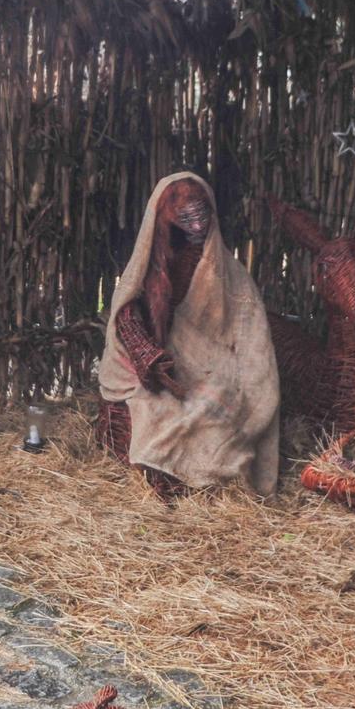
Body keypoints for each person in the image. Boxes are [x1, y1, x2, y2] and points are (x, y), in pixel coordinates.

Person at [96, 172, 280, 497]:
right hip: (160, 367)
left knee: (214, 407)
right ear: (169, 220)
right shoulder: (151, 267)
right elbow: (126, 311)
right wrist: (145, 352)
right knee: (157, 408)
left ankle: (203, 472)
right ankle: (171, 473)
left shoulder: (231, 275)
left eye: (202, 215)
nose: (196, 226)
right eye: (186, 218)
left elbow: (251, 342)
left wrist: (236, 378)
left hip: (211, 369)